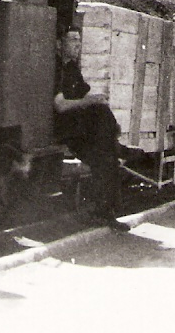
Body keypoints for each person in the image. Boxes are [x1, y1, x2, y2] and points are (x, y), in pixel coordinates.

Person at [54, 29, 128, 231]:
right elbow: (60, 105)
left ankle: (107, 213)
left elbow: (84, 94)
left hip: (79, 127)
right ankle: (105, 212)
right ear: (59, 43)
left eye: (79, 40)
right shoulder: (55, 67)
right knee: (106, 157)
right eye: (72, 40)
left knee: (108, 159)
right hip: (65, 128)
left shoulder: (71, 68)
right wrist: (87, 101)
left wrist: (93, 100)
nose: (78, 44)